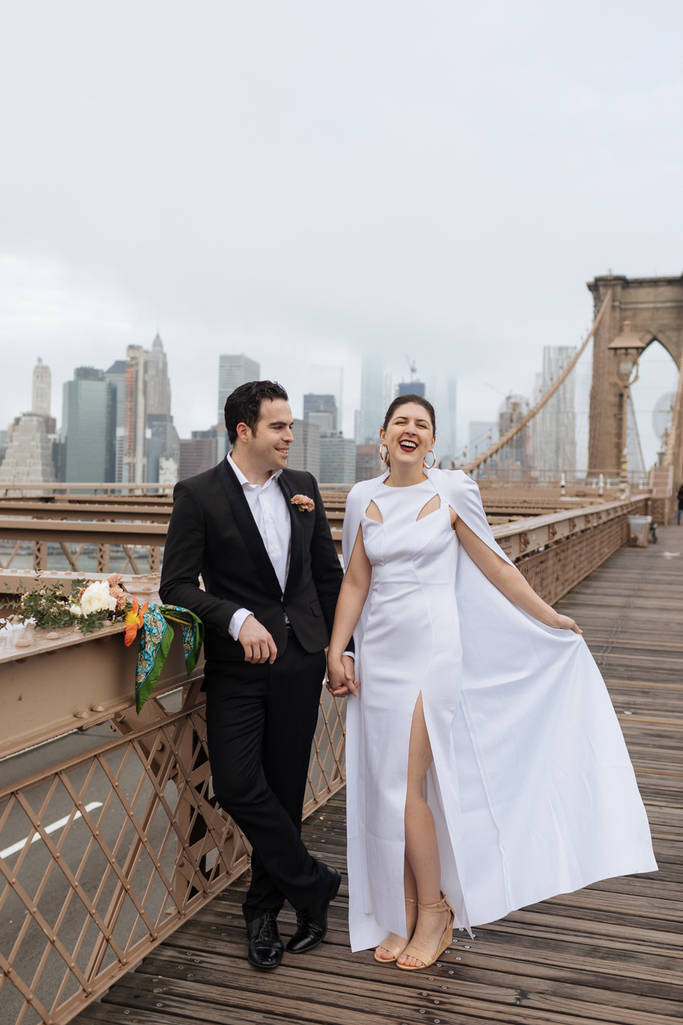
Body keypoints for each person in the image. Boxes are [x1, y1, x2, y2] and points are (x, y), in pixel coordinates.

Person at [327, 394, 656, 971]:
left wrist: (547, 616)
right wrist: (338, 649)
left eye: (422, 425)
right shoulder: (361, 497)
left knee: (405, 786)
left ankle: (436, 913)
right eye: (401, 422)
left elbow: (496, 564)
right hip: (379, 656)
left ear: (432, 441)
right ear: (382, 435)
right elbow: (355, 580)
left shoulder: (452, 490)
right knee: (385, 786)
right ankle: (401, 908)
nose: (411, 431)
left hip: (434, 655)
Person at [160, 380, 350, 970]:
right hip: (237, 667)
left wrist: (340, 650)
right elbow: (176, 585)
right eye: (279, 427)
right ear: (244, 430)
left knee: (286, 790)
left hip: (299, 661)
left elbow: (327, 577)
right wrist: (236, 617)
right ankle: (312, 882)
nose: (291, 436)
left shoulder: (304, 489)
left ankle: (263, 911)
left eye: (291, 426)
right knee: (239, 784)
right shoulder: (198, 494)